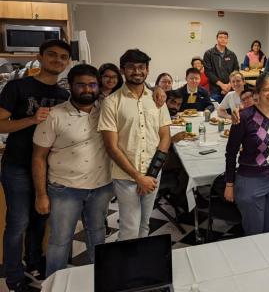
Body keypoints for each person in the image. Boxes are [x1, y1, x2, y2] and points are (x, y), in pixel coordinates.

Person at [0, 40, 71, 291]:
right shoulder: (17, 87)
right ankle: (13, 276)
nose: (57, 60)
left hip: (49, 167)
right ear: (40, 57)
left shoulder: (64, 95)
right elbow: (0, 123)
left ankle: (34, 262)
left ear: (68, 62)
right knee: (18, 222)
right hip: (18, 166)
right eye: (51, 55)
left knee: (40, 219)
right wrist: (31, 119)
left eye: (63, 57)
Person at [31, 64, 113, 277]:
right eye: (81, 85)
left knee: (97, 235)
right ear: (70, 86)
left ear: (98, 86)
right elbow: (38, 158)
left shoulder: (106, 110)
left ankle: (101, 280)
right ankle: (53, 285)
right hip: (65, 189)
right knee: (60, 241)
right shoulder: (53, 115)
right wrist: (41, 195)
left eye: (92, 84)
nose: (87, 90)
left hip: (101, 187)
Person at [98, 49, 171, 240]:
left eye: (141, 67)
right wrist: (138, 177)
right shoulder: (111, 102)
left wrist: (151, 175)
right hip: (126, 177)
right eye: (131, 67)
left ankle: (141, 265)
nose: (137, 71)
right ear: (123, 70)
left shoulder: (157, 99)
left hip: (152, 174)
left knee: (145, 223)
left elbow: (165, 137)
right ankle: (127, 268)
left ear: (147, 70)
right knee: (130, 228)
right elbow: (111, 147)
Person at [224, 73, 269, 235]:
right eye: (266, 90)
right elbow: (231, 153)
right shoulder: (244, 118)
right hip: (251, 180)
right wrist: (229, 184)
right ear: (257, 93)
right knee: (254, 232)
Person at [203, 30, 239, 102]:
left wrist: (229, 85)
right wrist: (222, 85)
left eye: (225, 38)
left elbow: (236, 70)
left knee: (231, 111)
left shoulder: (232, 54)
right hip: (215, 89)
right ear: (217, 39)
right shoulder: (208, 54)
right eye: (221, 37)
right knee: (216, 111)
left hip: (230, 88)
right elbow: (208, 72)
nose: (223, 39)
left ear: (227, 40)